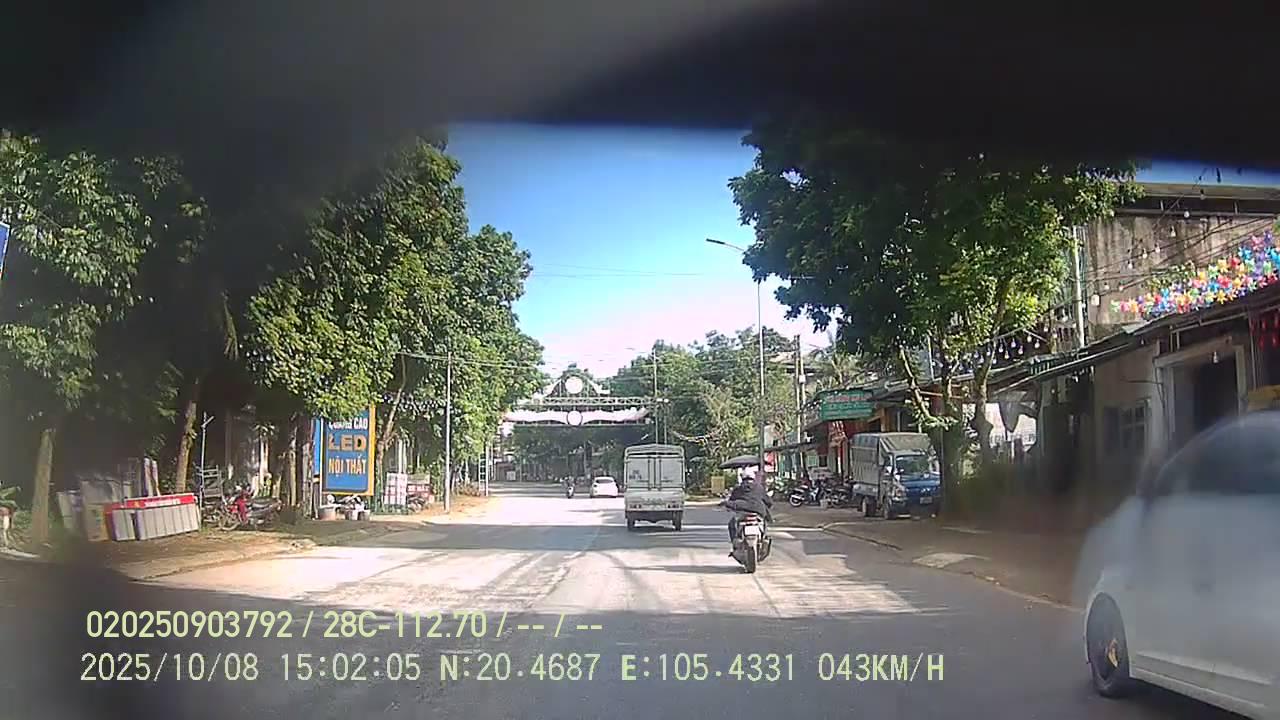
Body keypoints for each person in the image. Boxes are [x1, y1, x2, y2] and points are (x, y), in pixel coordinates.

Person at [721, 469, 773, 555]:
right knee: (764, 522)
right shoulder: (759, 488)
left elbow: (731, 501)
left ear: (742, 478)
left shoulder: (738, 489)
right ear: (753, 478)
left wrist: (727, 504)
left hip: (742, 513)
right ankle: (764, 538)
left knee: (731, 524)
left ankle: (735, 544)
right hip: (758, 513)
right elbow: (769, 502)